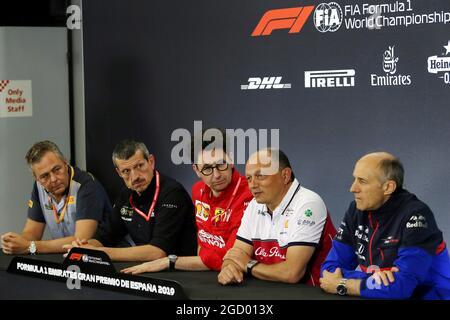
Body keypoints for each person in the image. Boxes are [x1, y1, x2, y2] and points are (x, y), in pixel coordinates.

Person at [320, 152, 450, 299]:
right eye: (354, 179)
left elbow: (402, 287)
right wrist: (375, 279)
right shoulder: (356, 210)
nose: (353, 188)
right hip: (380, 296)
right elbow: (329, 271)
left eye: (362, 181)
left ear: (388, 187)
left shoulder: (417, 215)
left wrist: (345, 284)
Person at [121, 129, 253, 274]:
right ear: (196, 170)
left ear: (231, 159)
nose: (216, 175)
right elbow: (201, 240)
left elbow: (227, 257)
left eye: (221, 164)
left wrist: (169, 261)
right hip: (202, 271)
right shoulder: (198, 190)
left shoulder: (249, 195)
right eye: (207, 168)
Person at [218, 148, 336, 286]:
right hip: (271, 290)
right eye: (249, 178)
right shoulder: (254, 205)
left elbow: (292, 273)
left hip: (311, 293)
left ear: (285, 176)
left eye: (260, 176)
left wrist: (248, 264)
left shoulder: (309, 204)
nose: (252, 185)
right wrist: (228, 269)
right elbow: (236, 254)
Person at [65, 139, 197, 261]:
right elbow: (105, 236)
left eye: (140, 166)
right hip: (147, 269)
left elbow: (157, 252)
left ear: (151, 161)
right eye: (126, 171)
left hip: (179, 272)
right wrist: (84, 246)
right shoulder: (126, 195)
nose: (135, 177)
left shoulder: (172, 193)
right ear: (119, 173)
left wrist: (99, 253)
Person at [1, 140, 111, 254]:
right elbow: (32, 233)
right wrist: (16, 242)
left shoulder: (86, 185)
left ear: (65, 162)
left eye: (57, 169)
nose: (53, 179)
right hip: (65, 256)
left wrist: (30, 246)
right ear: (36, 178)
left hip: (104, 258)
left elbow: (81, 241)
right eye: (45, 176)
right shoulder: (39, 187)